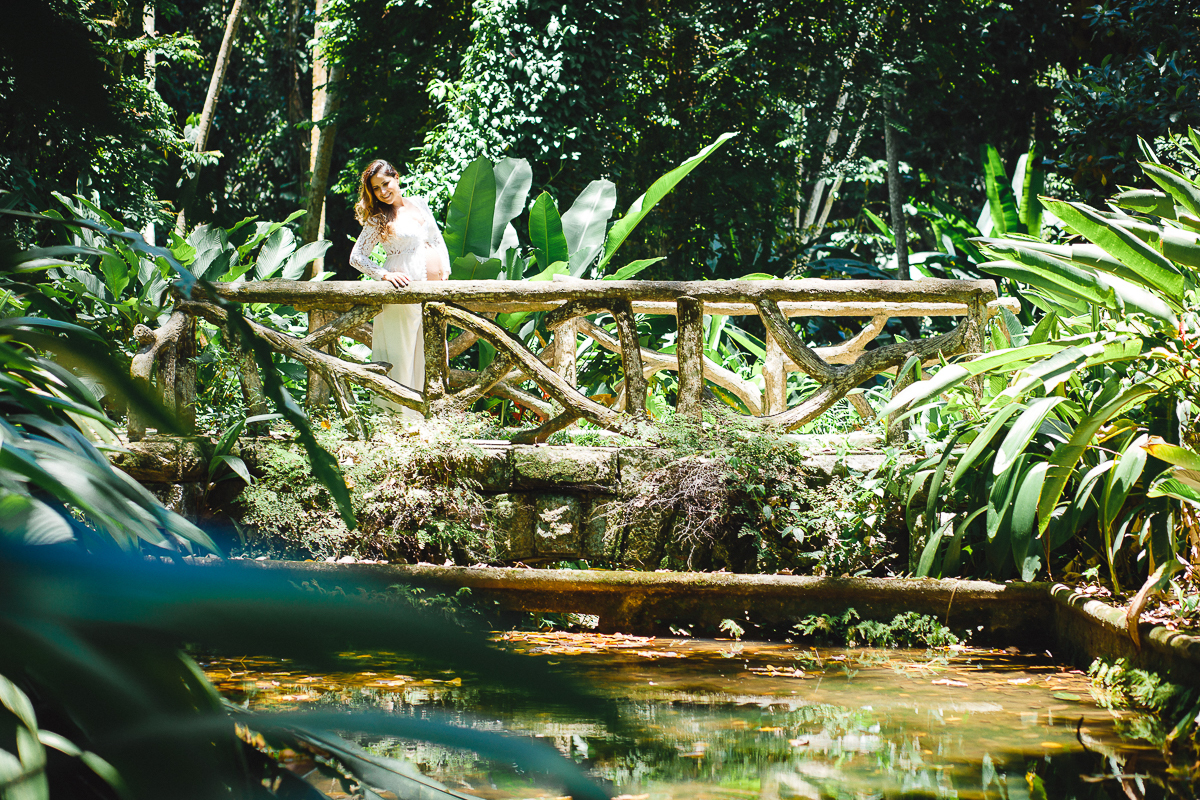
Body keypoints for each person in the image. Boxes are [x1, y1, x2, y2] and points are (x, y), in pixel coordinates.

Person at [349, 159, 450, 417]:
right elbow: (357, 257)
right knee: (403, 349)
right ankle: (400, 419)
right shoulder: (378, 218)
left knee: (430, 350)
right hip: (402, 290)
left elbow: (436, 238)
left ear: (396, 177)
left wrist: (445, 270)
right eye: (375, 189)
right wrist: (384, 275)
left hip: (434, 292)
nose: (383, 191)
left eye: (385, 183)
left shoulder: (419, 203)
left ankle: (431, 417)